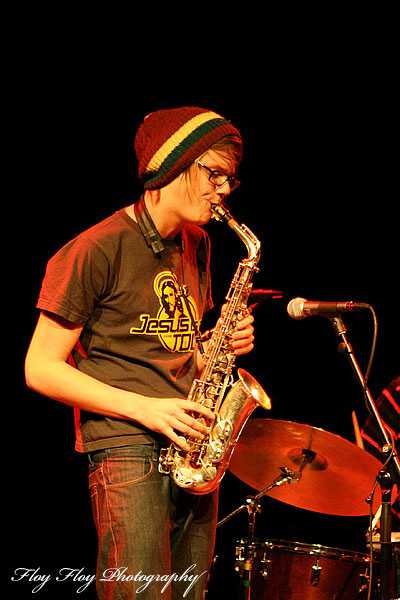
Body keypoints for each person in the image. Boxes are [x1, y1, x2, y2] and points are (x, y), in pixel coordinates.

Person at [25, 106, 256, 599]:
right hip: (127, 447)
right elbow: (39, 368)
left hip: (189, 446)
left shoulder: (198, 244)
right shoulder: (96, 248)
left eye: (230, 180)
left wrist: (218, 345)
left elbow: (180, 349)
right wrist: (146, 409)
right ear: (169, 166)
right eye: (213, 174)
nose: (223, 191)